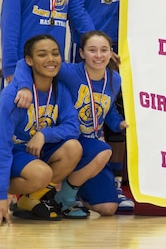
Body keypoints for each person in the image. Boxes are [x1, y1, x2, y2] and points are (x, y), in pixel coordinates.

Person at [66, 0, 139, 211]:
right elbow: (75, 3)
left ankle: (120, 185)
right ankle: (80, 181)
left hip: (126, 47)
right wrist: (96, 45)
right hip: (94, 48)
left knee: (119, 118)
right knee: (91, 114)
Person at [0, 35, 82, 225]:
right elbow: (0, 145)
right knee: (42, 174)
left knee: (73, 148)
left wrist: (45, 134)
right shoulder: (14, 95)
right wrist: (1, 195)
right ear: (29, 60)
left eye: (55, 53)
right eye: (42, 54)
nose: (51, 59)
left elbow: (72, 126)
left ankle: (30, 200)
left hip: (22, 152)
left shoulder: (60, 90)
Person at [14, 30, 129, 217]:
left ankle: (75, 191)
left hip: (90, 145)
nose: (99, 55)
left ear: (111, 52)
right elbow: (23, 63)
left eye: (103, 50)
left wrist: (119, 124)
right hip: (66, 140)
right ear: (82, 53)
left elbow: (107, 111)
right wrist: (25, 87)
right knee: (103, 149)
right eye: (92, 50)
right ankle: (65, 198)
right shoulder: (69, 72)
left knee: (108, 208)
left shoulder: (115, 79)